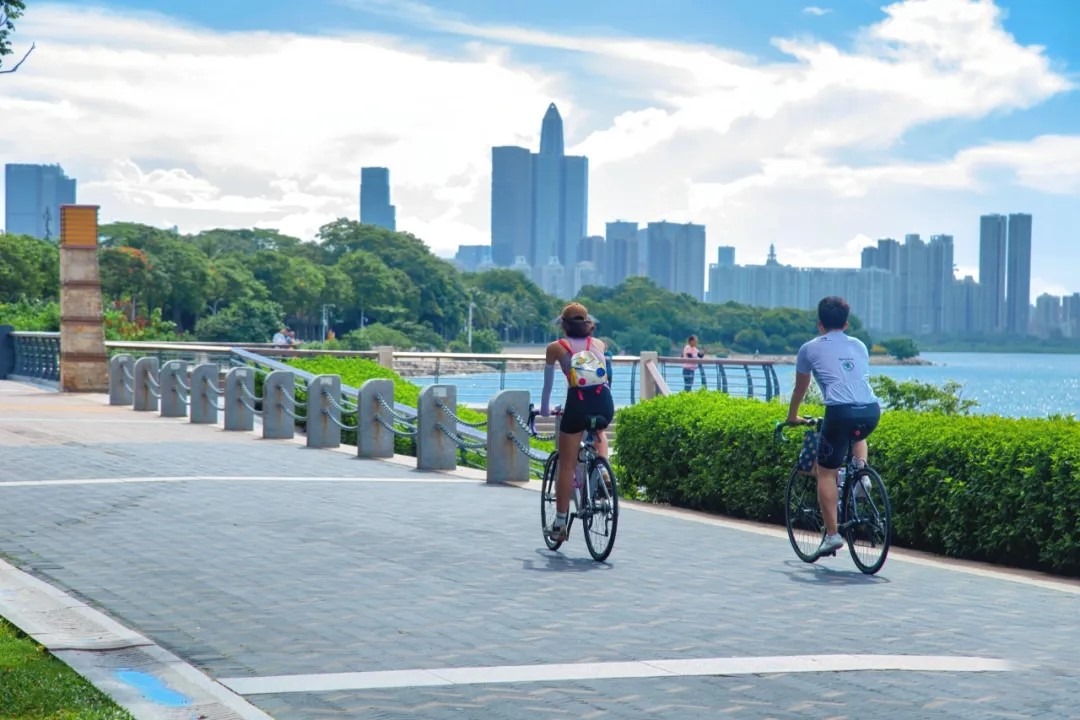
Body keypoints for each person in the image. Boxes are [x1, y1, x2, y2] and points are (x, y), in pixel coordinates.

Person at [786, 296, 881, 558]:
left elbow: (800, 388)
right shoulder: (860, 345)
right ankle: (862, 475)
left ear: (819, 325)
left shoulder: (808, 349)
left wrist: (793, 417)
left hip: (839, 411)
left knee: (826, 472)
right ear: (847, 324)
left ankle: (832, 535)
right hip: (871, 410)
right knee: (857, 432)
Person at [539, 302, 615, 542]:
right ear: (587, 323)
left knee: (567, 465)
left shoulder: (556, 348)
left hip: (577, 405)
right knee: (598, 432)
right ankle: (602, 468)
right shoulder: (599, 344)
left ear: (563, 324)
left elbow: (548, 387)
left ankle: (560, 524)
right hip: (604, 403)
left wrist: (544, 411)